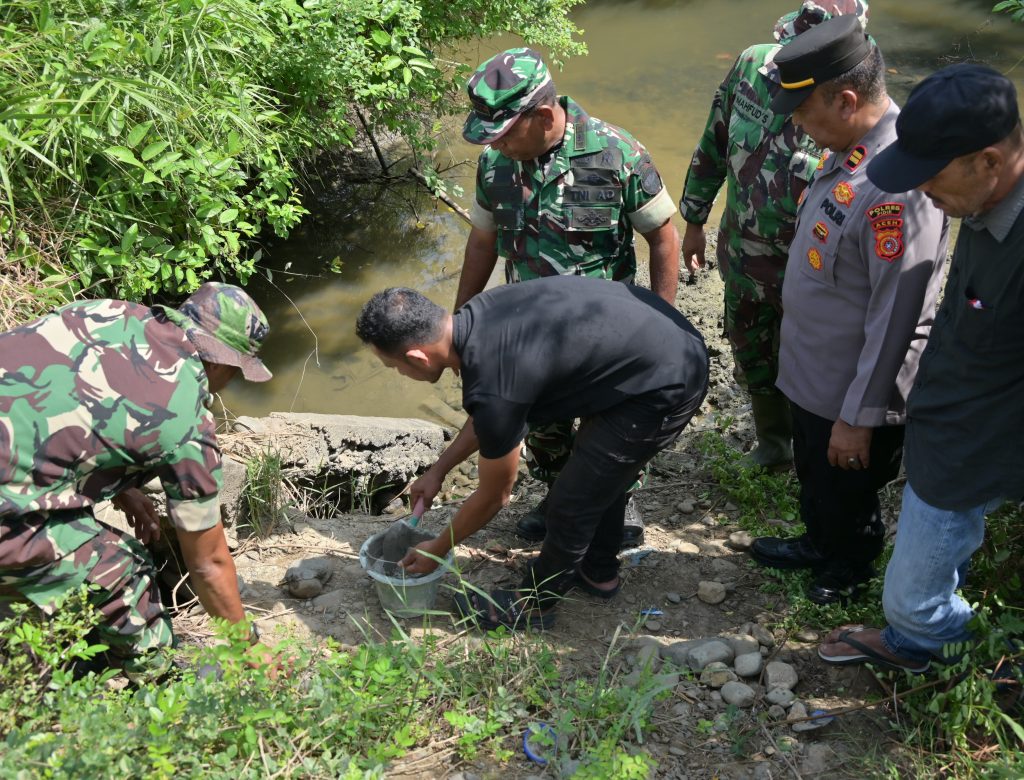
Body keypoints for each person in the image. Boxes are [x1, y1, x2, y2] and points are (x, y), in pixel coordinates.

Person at [818, 64, 1024, 671]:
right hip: (949, 438)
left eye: (931, 175)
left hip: (978, 449)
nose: (922, 192)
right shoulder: (987, 205)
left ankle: (995, 659)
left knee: (912, 605)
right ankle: (917, 644)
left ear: (988, 160)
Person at [356, 276, 708, 630]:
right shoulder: (477, 319)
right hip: (650, 344)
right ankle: (598, 572)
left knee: (570, 503)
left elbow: (496, 495)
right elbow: (492, 413)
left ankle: (535, 606)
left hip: (667, 379)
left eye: (394, 366)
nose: (400, 373)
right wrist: (439, 470)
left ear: (416, 356)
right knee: (596, 475)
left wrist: (439, 547)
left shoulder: (495, 381)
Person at [747, 16, 949, 604]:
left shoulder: (896, 183)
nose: (801, 130)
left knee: (849, 488)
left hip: (851, 391)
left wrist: (859, 417)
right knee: (818, 477)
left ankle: (849, 567)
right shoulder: (855, 152)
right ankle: (819, 542)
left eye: (804, 114)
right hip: (816, 377)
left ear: (847, 100)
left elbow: (898, 317)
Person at [456, 47, 682, 547]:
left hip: (607, 339)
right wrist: (461, 322)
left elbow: (662, 236)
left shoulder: (614, 151)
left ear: (541, 115)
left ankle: (615, 505)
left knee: (608, 427)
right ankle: (559, 495)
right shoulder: (496, 165)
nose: (497, 145)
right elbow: (483, 241)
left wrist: (663, 322)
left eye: (505, 132)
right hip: (529, 337)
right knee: (541, 426)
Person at [0, 283, 273, 677]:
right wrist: (245, 645)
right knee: (125, 571)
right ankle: (155, 686)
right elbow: (209, 563)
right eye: (236, 372)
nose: (231, 381)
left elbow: (64, 402)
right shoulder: (186, 425)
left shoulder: (107, 311)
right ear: (220, 362)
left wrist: (123, 489)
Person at [680, 0, 869, 471]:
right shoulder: (753, 67)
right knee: (751, 350)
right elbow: (715, 142)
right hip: (743, 253)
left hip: (812, 271)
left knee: (814, 360)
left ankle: (818, 451)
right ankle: (773, 444)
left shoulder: (858, 105)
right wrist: (695, 220)